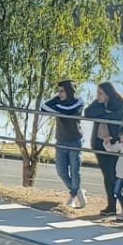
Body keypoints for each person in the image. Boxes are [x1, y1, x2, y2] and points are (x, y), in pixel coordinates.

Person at [84, 82, 123, 216]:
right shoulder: (98, 103)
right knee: (107, 175)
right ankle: (111, 206)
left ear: (108, 94)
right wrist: (104, 112)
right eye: (97, 93)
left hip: (115, 144)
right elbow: (88, 113)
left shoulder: (120, 103)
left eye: (101, 93)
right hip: (99, 143)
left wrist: (101, 116)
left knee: (117, 174)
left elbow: (119, 116)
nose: (98, 96)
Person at [42, 79, 87, 209]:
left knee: (74, 171)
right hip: (61, 140)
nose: (59, 94)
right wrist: (57, 107)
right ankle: (78, 190)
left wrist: (55, 109)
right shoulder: (58, 100)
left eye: (62, 91)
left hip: (74, 141)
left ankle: (72, 197)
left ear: (69, 91)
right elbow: (44, 107)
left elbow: (69, 111)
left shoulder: (79, 101)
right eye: (58, 91)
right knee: (61, 171)